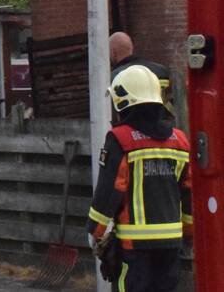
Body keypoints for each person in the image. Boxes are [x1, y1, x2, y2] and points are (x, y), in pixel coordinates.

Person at [87, 65, 192, 291]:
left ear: (123, 101)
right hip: (172, 245)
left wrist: (95, 230)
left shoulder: (120, 139)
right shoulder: (181, 142)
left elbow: (110, 189)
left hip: (134, 248)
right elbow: (189, 192)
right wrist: (189, 232)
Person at [109, 31, 173, 117]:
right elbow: (171, 105)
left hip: (133, 128)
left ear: (113, 52)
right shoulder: (161, 70)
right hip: (164, 127)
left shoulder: (115, 77)